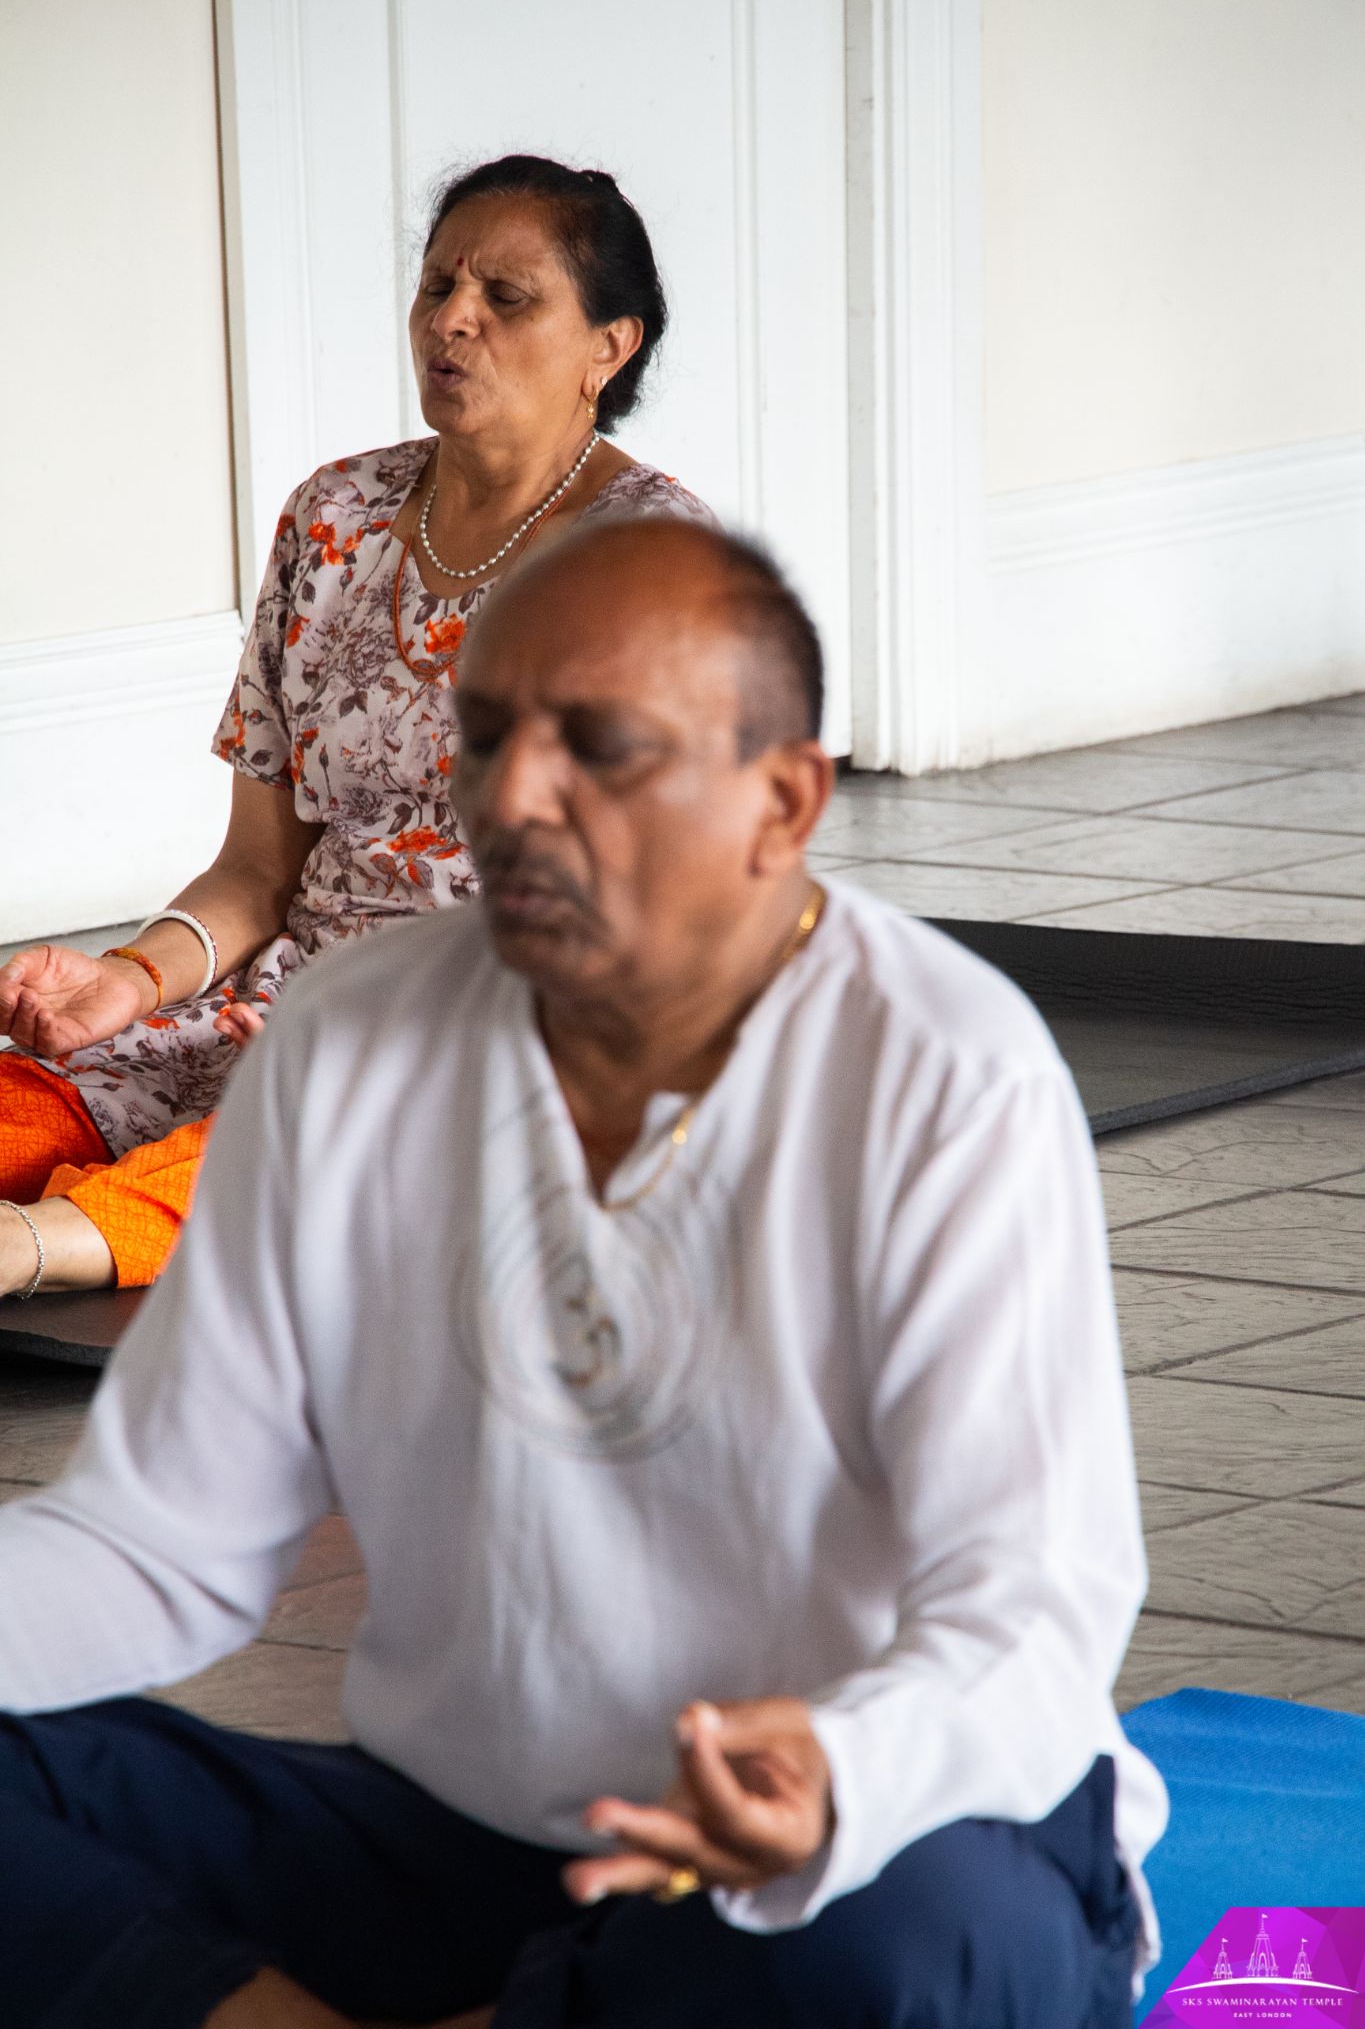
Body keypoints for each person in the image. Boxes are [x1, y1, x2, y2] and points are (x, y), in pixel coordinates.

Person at [0, 520, 1167, 2029]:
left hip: (844, 1854)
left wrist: (840, 1774)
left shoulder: (945, 1071)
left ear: (782, 801)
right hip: (453, 1844)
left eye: (599, 751)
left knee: (871, 1957)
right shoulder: (349, 1039)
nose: (515, 801)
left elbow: (1031, 1607)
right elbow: (164, 1541)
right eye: (485, 741)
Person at [0, 154, 708, 1303]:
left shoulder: (654, 555)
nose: (453, 322)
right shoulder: (336, 514)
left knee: (321, 1133)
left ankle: (39, 1245)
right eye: (438, 287)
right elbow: (254, 871)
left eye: (506, 298)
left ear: (608, 347)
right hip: (290, 1002)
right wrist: (128, 980)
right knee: (36, 1100)